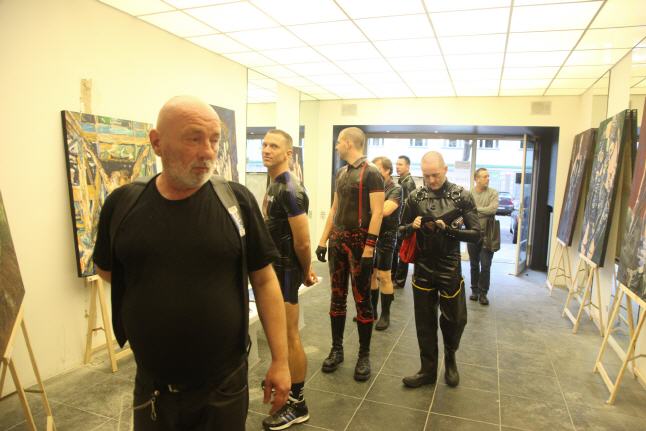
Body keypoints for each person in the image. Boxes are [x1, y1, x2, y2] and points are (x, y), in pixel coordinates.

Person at [93, 96, 290, 431]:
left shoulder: (236, 201)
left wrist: (281, 361)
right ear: (157, 142)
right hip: (152, 388)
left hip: (222, 388)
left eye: (214, 139)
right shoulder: (123, 204)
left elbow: (265, 280)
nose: (208, 152)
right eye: (194, 139)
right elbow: (108, 269)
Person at [399, 151, 480, 389]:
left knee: (455, 320)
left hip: (449, 265)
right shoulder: (415, 196)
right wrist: (411, 227)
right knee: (424, 322)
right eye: (426, 176)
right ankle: (427, 369)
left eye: (435, 174)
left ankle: (450, 358)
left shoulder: (461, 196)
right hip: (423, 266)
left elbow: (477, 234)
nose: (431, 180)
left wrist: (450, 231)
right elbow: (400, 230)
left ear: (445, 170)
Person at [315, 127, 384, 381]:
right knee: (337, 297)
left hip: (359, 242)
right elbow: (334, 208)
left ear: (348, 143)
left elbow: (377, 212)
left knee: (362, 300)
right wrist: (323, 240)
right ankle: (337, 349)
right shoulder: (341, 173)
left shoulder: (372, 173)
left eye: (338, 142)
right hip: (338, 241)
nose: (336, 146)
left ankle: (364, 355)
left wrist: (369, 248)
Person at [260, 129, 317, 430]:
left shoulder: (291, 189)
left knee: (290, 336)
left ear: (288, 153)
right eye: (264, 145)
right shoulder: (273, 184)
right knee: (280, 335)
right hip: (274, 270)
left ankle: (298, 403)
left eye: (274, 146)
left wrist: (305, 271)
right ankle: (286, 384)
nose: (267, 150)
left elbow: (303, 242)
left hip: (286, 272)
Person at [370, 156, 402, 331]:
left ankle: (385, 315)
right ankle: (372, 311)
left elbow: (385, 210)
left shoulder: (396, 189)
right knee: (370, 274)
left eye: (378, 169)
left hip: (387, 236)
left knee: (384, 276)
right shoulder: (373, 187)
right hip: (372, 234)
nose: (374, 172)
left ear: (387, 170)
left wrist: (369, 207)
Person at [467, 168, 499, 306]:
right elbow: (466, 212)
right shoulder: (469, 194)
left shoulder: (493, 193)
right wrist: (477, 211)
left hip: (488, 235)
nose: (488, 179)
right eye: (484, 176)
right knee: (474, 264)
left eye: (488, 176)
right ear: (477, 179)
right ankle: (474, 291)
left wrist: (476, 209)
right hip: (472, 234)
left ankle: (483, 293)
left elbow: (493, 209)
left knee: (485, 265)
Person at [393, 155, 418, 289]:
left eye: (400, 164)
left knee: (403, 252)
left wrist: (404, 225)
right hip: (401, 222)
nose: (397, 167)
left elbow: (409, 206)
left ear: (408, 167)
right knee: (398, 250)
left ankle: (399, 280)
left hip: (404, 223)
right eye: (396, 164)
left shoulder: (408, 183)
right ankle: (395, 277)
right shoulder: (402, 181)